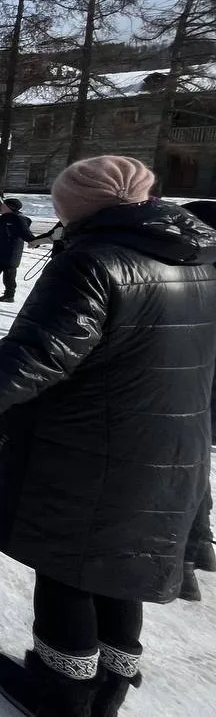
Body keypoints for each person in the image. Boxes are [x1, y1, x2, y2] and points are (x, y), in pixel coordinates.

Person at [0, 156, 216, 717]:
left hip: (89, 442)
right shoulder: (201, 259)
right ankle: (111, 680)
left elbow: (39, 353)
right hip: (170, 441)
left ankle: (61, 689)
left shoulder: (94, 260)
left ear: (81, 206)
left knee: (70, 564)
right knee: (120, 564)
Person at [182, 199, 216, 603]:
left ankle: (185, 556)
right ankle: (201, 541)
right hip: (197, 384)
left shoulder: (197, 271)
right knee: (191, 462)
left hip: (192, 384)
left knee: (177, 466)